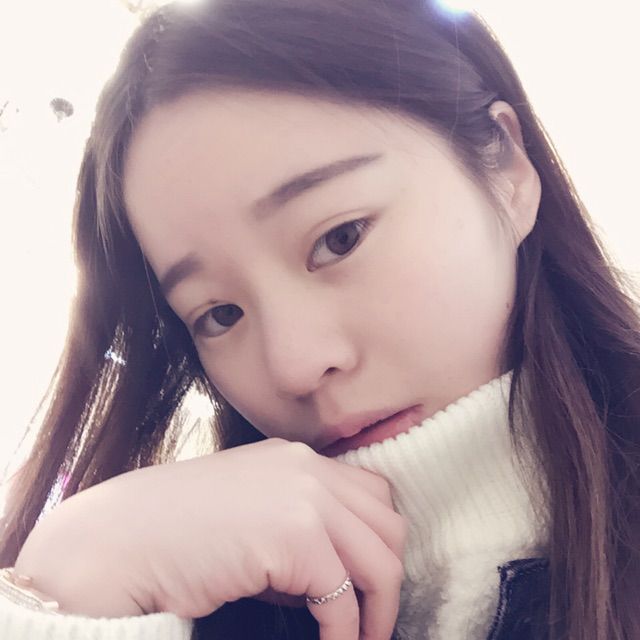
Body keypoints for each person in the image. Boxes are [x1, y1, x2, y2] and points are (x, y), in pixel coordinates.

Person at [0, 0, 638, 638]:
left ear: (506, 168)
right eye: (220, 314)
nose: (295, 365)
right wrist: (73, 587)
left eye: (340, 238)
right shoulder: (200, 604)